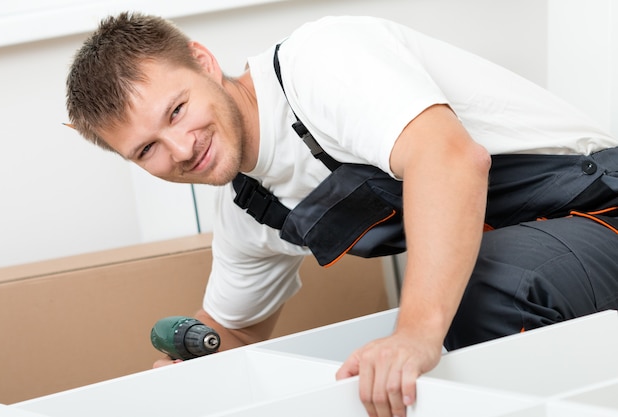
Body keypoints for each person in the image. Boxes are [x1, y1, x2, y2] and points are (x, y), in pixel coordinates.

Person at [66, 12, 618, 417]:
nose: (181, 149)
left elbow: (449, 160)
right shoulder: (249, 208)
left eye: (178, 109)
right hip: (540, 255)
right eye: (147, 150)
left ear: (205, 63)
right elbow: (236, 332)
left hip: (602, 210)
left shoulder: (319, 62)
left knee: (487, 287)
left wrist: (417, 332)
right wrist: (188, 377)